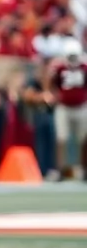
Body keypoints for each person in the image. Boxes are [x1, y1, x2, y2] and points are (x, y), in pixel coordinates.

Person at [46, 40, 87, 179]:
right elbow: (51, 83)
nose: (73, 60)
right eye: (70, 56)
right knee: (61, 138)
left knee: (83, 138)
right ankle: (60, 169)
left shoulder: (84, 66)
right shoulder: (59, 67)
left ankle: (83, 169)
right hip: (63, 107)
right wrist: (54, 95)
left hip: (81, 107)